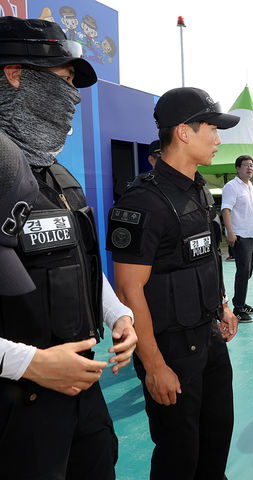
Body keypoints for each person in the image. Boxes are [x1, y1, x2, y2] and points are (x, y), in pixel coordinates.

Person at [0, 16, 137, 479]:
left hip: (83, 396)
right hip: (16, 409)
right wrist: (31, 364)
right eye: (62, 80)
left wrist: (117, 313)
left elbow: (77, 263)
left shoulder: (59, 177)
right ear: (15, 75)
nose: (74, 98)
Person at [109, 87, 240, 480]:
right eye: (212, 129)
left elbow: (206, 256)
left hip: (210, 338)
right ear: (184, 131)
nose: (218, 139)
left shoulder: (199, 189)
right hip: (170, 350)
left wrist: (223, 305)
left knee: (216, 442)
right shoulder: (140, 202)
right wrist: (154, 366)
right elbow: (129, 291)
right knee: (179, 457)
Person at [221, 155, 253, 322]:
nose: (249, 168)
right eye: (246, 165)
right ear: (237, 168)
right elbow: (226, 210)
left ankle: (241, 303)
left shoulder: (250, 186)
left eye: (251, 165)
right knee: (243, 272)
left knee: (248, 272)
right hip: (239, 236)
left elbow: (252, 213)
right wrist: (230, 232)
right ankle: (238, 308)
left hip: (252, 235)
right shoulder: (232, 186)